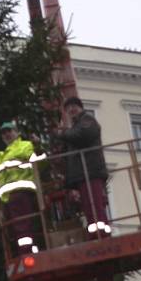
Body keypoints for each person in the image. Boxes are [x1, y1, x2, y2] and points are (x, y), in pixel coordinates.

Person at [54, 96, 110, 237]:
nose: (71, 110)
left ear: (81, 108)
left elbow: (82, 136)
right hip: (83, 172)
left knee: (95, 203)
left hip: (91, 169)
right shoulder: (76, 125)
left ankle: (101, 232)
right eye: (68, 108)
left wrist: (63, 133)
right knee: (88, 205)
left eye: (74, 106)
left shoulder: (87, 121)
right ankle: (95, 231)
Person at [0, 121, 44, 255]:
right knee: (16, 227)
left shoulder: (25, 146)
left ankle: (26, 251)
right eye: (4, 133)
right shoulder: (0, 156)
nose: (7, 134)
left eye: (9, 131)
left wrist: (38, 146)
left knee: (22, 225)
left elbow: (38, 162)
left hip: (22, 191)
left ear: (17, 132)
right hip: (8, 197)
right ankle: (28, 250)